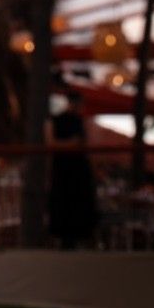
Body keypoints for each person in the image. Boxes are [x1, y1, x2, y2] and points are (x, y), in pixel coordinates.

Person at [46, 106, 100, 249]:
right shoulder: (58, 121)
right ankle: (70, 240)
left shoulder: (81, 121)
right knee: (68, 205)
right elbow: (51, 143)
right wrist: (72, 143)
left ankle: (74, 240)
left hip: (74, 173)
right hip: (67, 173)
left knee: (73, 205)